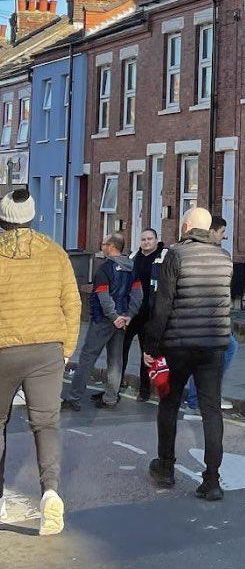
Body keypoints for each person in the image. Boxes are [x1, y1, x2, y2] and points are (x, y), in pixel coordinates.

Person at [0, 187, 80, 536]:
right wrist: (66, 350)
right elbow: (72, 304)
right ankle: (50, 493)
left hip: (3, 349)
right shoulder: (55, 253)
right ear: (32, 217)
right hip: (48, 349)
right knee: (46, 425)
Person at [144, 207, 233, 501]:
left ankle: (166, 468)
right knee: (211, 409)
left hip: (177, 346)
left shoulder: (176, 256)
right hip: (213, 346)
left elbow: (163, 306)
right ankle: (212, 479)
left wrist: (151, 347)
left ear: (185, 226)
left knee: (169, 404)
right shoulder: (224, 258)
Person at [62, 232, 141, 411]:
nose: (102, 246)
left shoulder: (105, 270)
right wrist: (128, 315)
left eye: (104, 243)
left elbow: (103, 297)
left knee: (87, 358)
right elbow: (138, 295)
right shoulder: (131, 268)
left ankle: (74, 398)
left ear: (112, 247)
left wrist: (113, 317)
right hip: (122, 320)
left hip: (104, 320)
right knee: (115, 360)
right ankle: (111, 398)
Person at [184, 216, 237, 412]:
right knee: (222, 352)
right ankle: (204, 396)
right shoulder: (214, 255)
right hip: (206, 317)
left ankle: (197, 397)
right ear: (212, 231)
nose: (224, 236)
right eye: (222, 232)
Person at [120, 228, 162, 402]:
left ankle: (144, 391)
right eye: (143, 239)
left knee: (147, 353)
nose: (146, 242)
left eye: (150, 239)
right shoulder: (133, 258)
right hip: (132, 312)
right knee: (121, 349)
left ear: (156, 240)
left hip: (149, 313)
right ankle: (117, 382)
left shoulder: (162, 258)